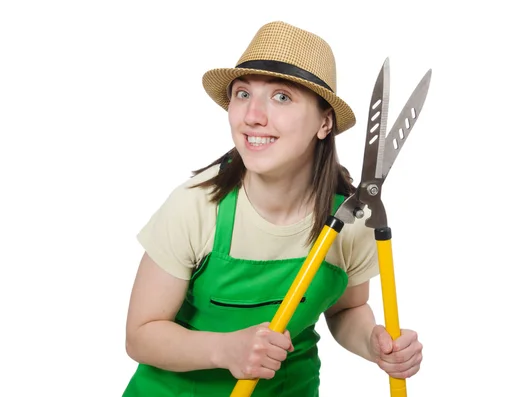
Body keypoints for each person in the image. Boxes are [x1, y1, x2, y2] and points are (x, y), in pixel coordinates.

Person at [122, 21, 423, 396]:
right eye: (243, 94)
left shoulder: (351, 220)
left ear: (324, 122)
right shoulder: (196, 206)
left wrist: (375, 343)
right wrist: (225, 349)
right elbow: (141, 335)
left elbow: (347, 311)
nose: (252, 116)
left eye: (282, 97)